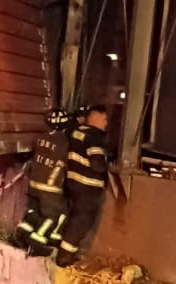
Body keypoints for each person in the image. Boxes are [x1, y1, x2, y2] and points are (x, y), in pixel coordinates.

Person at [12, 109, 71, 256]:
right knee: (52, 216)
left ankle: (21, 235)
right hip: (50, 187)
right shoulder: (64, 142)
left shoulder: (40, 138)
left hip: (34, 184)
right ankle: (37, 242)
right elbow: (61, 164)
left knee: (33, 212)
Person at [56, 104, 109, 267]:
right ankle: (65, 257)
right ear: (97, 117)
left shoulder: (76, 132)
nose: (106, 123)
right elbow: (97, 164)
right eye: (105, 119)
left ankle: (66, 253)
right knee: (82, 222)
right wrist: (107, 165)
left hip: (73, 183)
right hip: (88, 186)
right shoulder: (94, 137)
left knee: (74, 219)